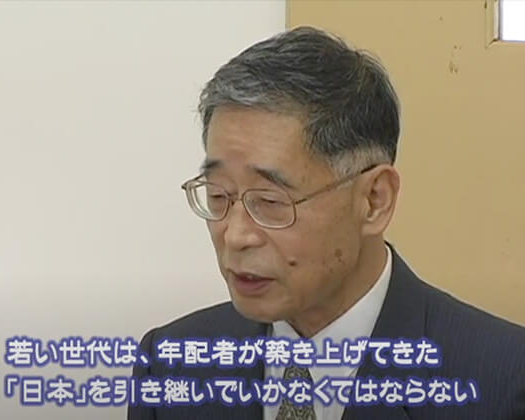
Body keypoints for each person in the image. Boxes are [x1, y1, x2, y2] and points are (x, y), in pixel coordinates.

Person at [128, 26, 525, 420]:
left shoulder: (504, 383)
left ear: (374, 200)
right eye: (219, 195)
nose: (235, 235)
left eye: (270, 201)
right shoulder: (170, 367)